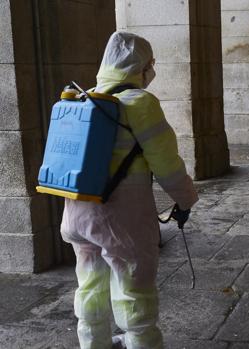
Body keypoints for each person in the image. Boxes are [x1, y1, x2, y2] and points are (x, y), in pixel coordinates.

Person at [61, 31, 199, 349]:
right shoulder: (140, 103)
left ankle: (93, 343)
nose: (152, 70)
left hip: (78, 213)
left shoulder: (86, 96)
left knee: (90, 284)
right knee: (134, 292)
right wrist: (185, 199)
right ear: (139, 66)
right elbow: (166, 164)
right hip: (121, 219)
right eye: (150, 64)